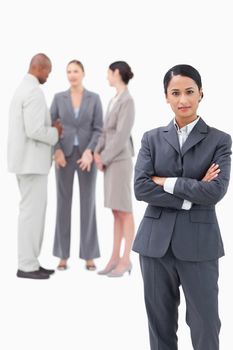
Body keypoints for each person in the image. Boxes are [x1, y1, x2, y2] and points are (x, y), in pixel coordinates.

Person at [133, 64, 232, 350]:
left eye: (189, 92)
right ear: (166, 96)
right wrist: (191, 191)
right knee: (159, 327)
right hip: (154, 246)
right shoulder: (151, 138)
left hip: (200, 246)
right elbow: (141, 187)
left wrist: (165, 181)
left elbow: (215, 191)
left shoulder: (219, 140)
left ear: (201, 93)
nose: (183, 100)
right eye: (175, 93)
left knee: (205, 324)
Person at [7, 53, 63, 279]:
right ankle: (27, 265)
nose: (48, 76)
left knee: (32, 214)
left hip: (26, 163)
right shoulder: (33, 91)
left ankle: (31, 261)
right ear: (38, 68)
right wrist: (56, 132)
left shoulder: (23, 88)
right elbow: (35, 130)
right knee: (32, 215)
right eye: (47, 72)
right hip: (31, 165)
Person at [51, 60, 103, 271]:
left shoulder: (94, 98)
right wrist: (57, 150)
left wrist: (90, 151)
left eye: (76, 71)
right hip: (64, 156)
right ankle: (62, 256)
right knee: (63, 205)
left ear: (83, 73)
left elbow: (99, 129)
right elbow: (51, 126)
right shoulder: (58, 98)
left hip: (86, 157)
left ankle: (89, 255)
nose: (72, 75)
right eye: (69, 71)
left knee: (88, 204)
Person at [94, 61, 135, 277]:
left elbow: (121, 136)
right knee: (115, 211)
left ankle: (126, 259)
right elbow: (104, 131)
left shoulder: (127, 101)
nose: (107, 77)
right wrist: (96, 153)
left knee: (125, 210)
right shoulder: (113, 99)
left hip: (119, 161)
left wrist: (105, 158)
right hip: (109, 160)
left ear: (116, 73)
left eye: (108, 73)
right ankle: (114, 257)